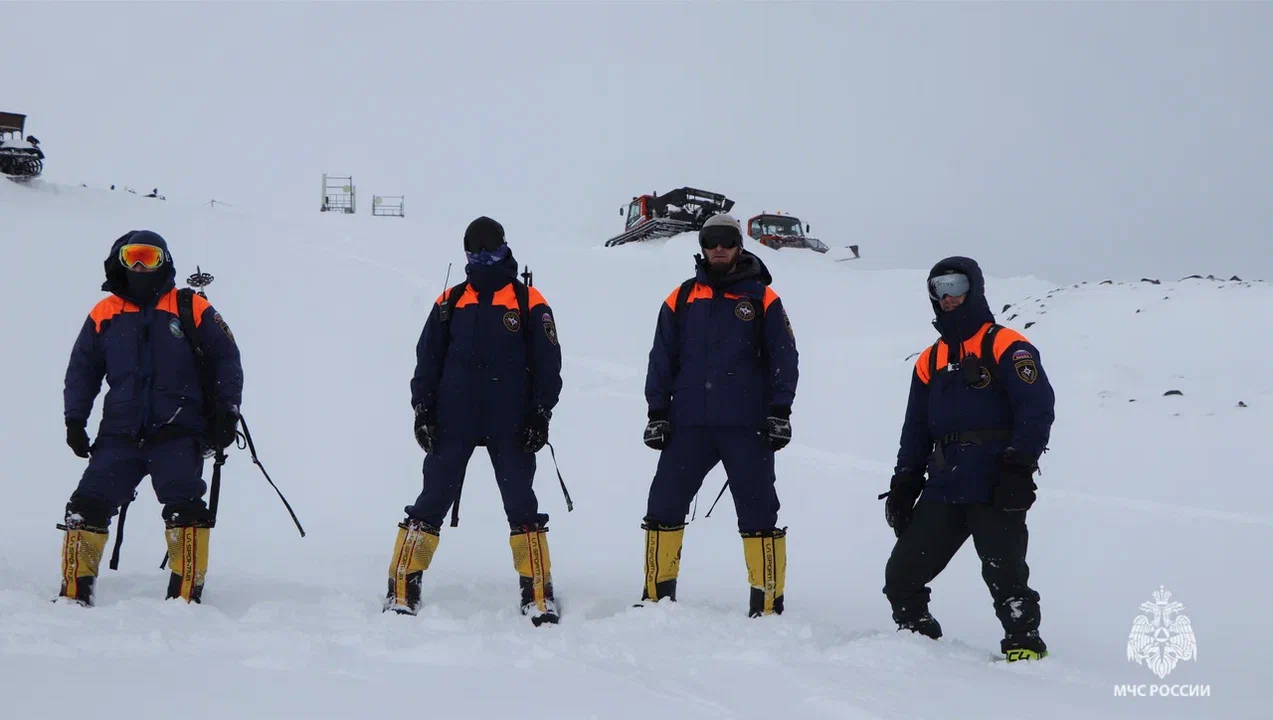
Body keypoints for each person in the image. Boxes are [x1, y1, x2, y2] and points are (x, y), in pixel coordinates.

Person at [385, 216, 564, 625]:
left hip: (512, 421)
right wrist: (422, 409)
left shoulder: (528, 301)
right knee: (431, 501)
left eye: (491, 247)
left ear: (505, 246)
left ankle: (537, 592)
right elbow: (426, 361)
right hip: (454, 419)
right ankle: (402, 587)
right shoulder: (449, 302)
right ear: (466, 253)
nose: (484, 256)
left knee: (522, 503)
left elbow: (548, 362)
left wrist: (541, 412)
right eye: (475, 249)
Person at [881, 256, 1055, 661]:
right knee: (902, 575)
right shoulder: (930, 359)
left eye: (956, 285)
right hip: (945, 483)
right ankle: (917, 644)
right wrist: (904, 483)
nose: (948, 296)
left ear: (973, 287)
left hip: (996, 481)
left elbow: (1036, 406)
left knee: (1005, 574)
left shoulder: (1006, 344)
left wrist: (1019, 467)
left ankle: (1024, 647)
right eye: (938, 288)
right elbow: (915, 428)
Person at [59, 230, 243, 607]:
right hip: (119, 435)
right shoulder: (104, 312)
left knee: (186, 509)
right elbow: (83, 369)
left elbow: (227, 360)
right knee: (87, 506)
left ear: (165, 261)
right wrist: (75, 420)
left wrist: (228, 412)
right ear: (118, 261)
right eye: (133, 257)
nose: (141, 266)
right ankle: (75, 594)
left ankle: (185, 597)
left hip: (178, 432)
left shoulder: (190, 307)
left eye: (150, 257)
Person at [639, 214, 799, 617]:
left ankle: (766, 604)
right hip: (688, 424)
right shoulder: (681, 297)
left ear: (739, 245)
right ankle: (657, 597)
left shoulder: (762, 299)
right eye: (711, 241)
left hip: (746, 425)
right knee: (664, 503)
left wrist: (780, 411)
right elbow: (662, 357)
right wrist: (657, 411)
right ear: (703, 246)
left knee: (759, 510)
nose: (719, 249)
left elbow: (784, 358)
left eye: (727, 241)